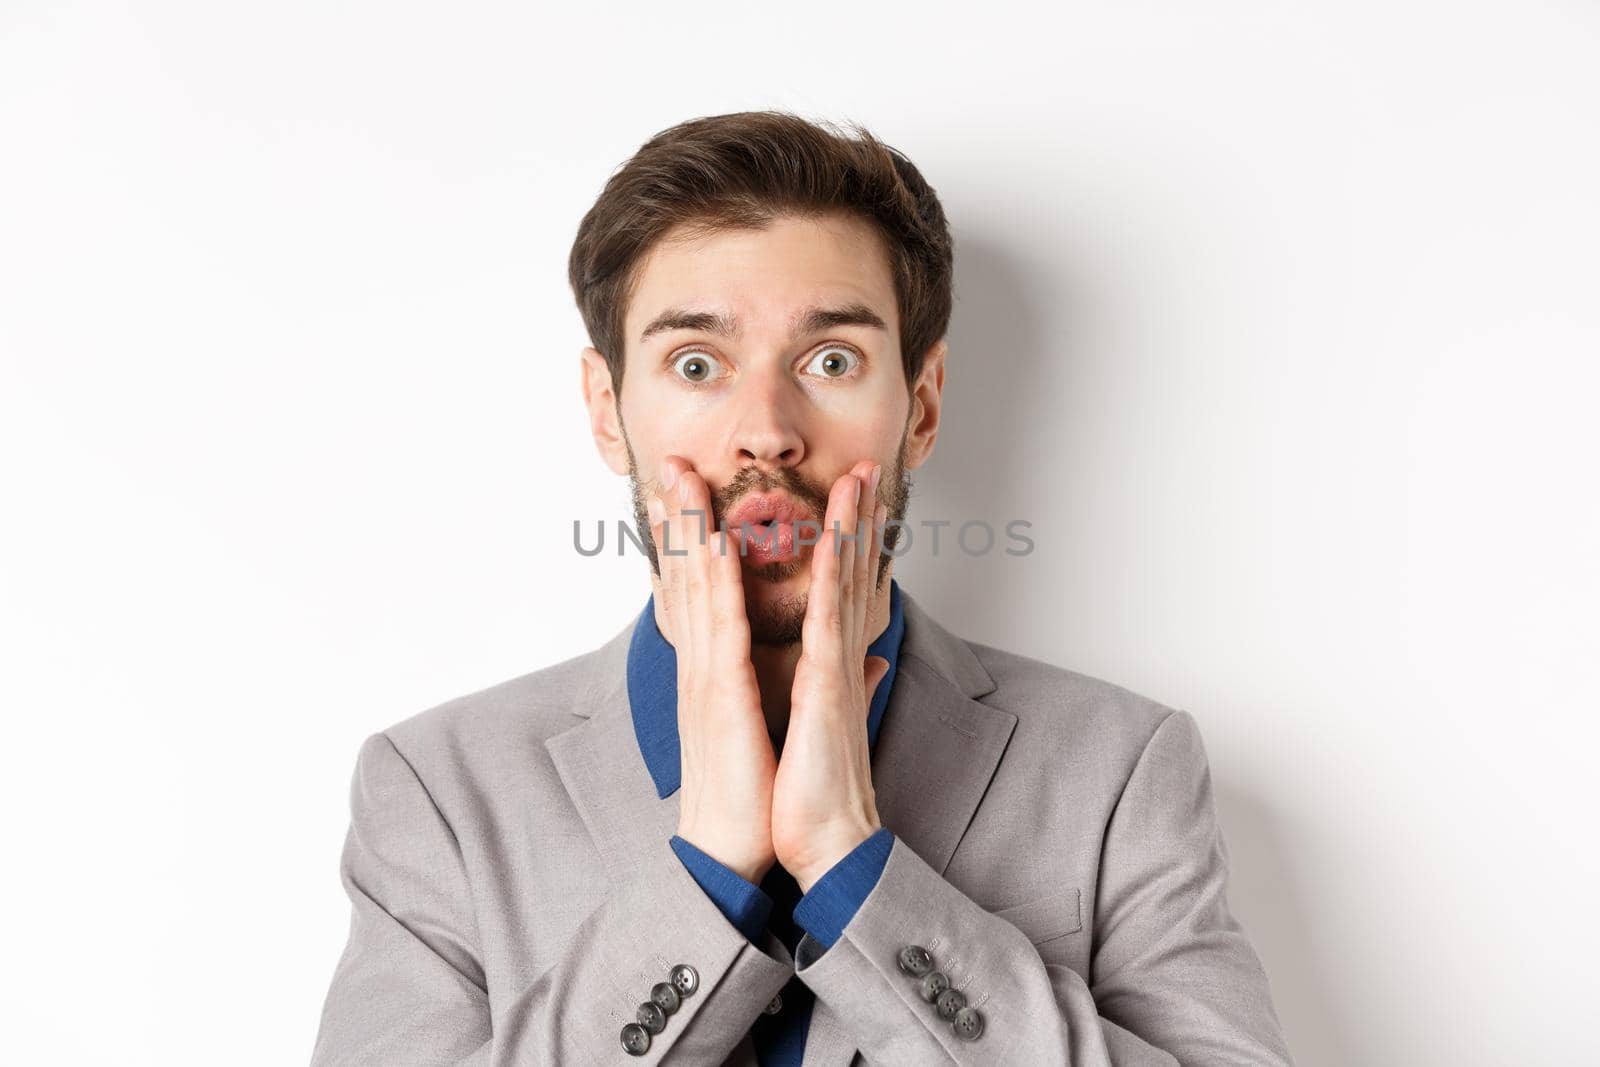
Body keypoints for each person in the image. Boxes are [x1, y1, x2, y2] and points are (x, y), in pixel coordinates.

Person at [310, 110, 1294, 1066]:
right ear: (609, 413)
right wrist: (706, 868)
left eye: (830, 360)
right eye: (697, 363)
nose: (768, 429)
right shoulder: (437, 790)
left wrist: (855, 869)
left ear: (920, 408)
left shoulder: (1117, 771)